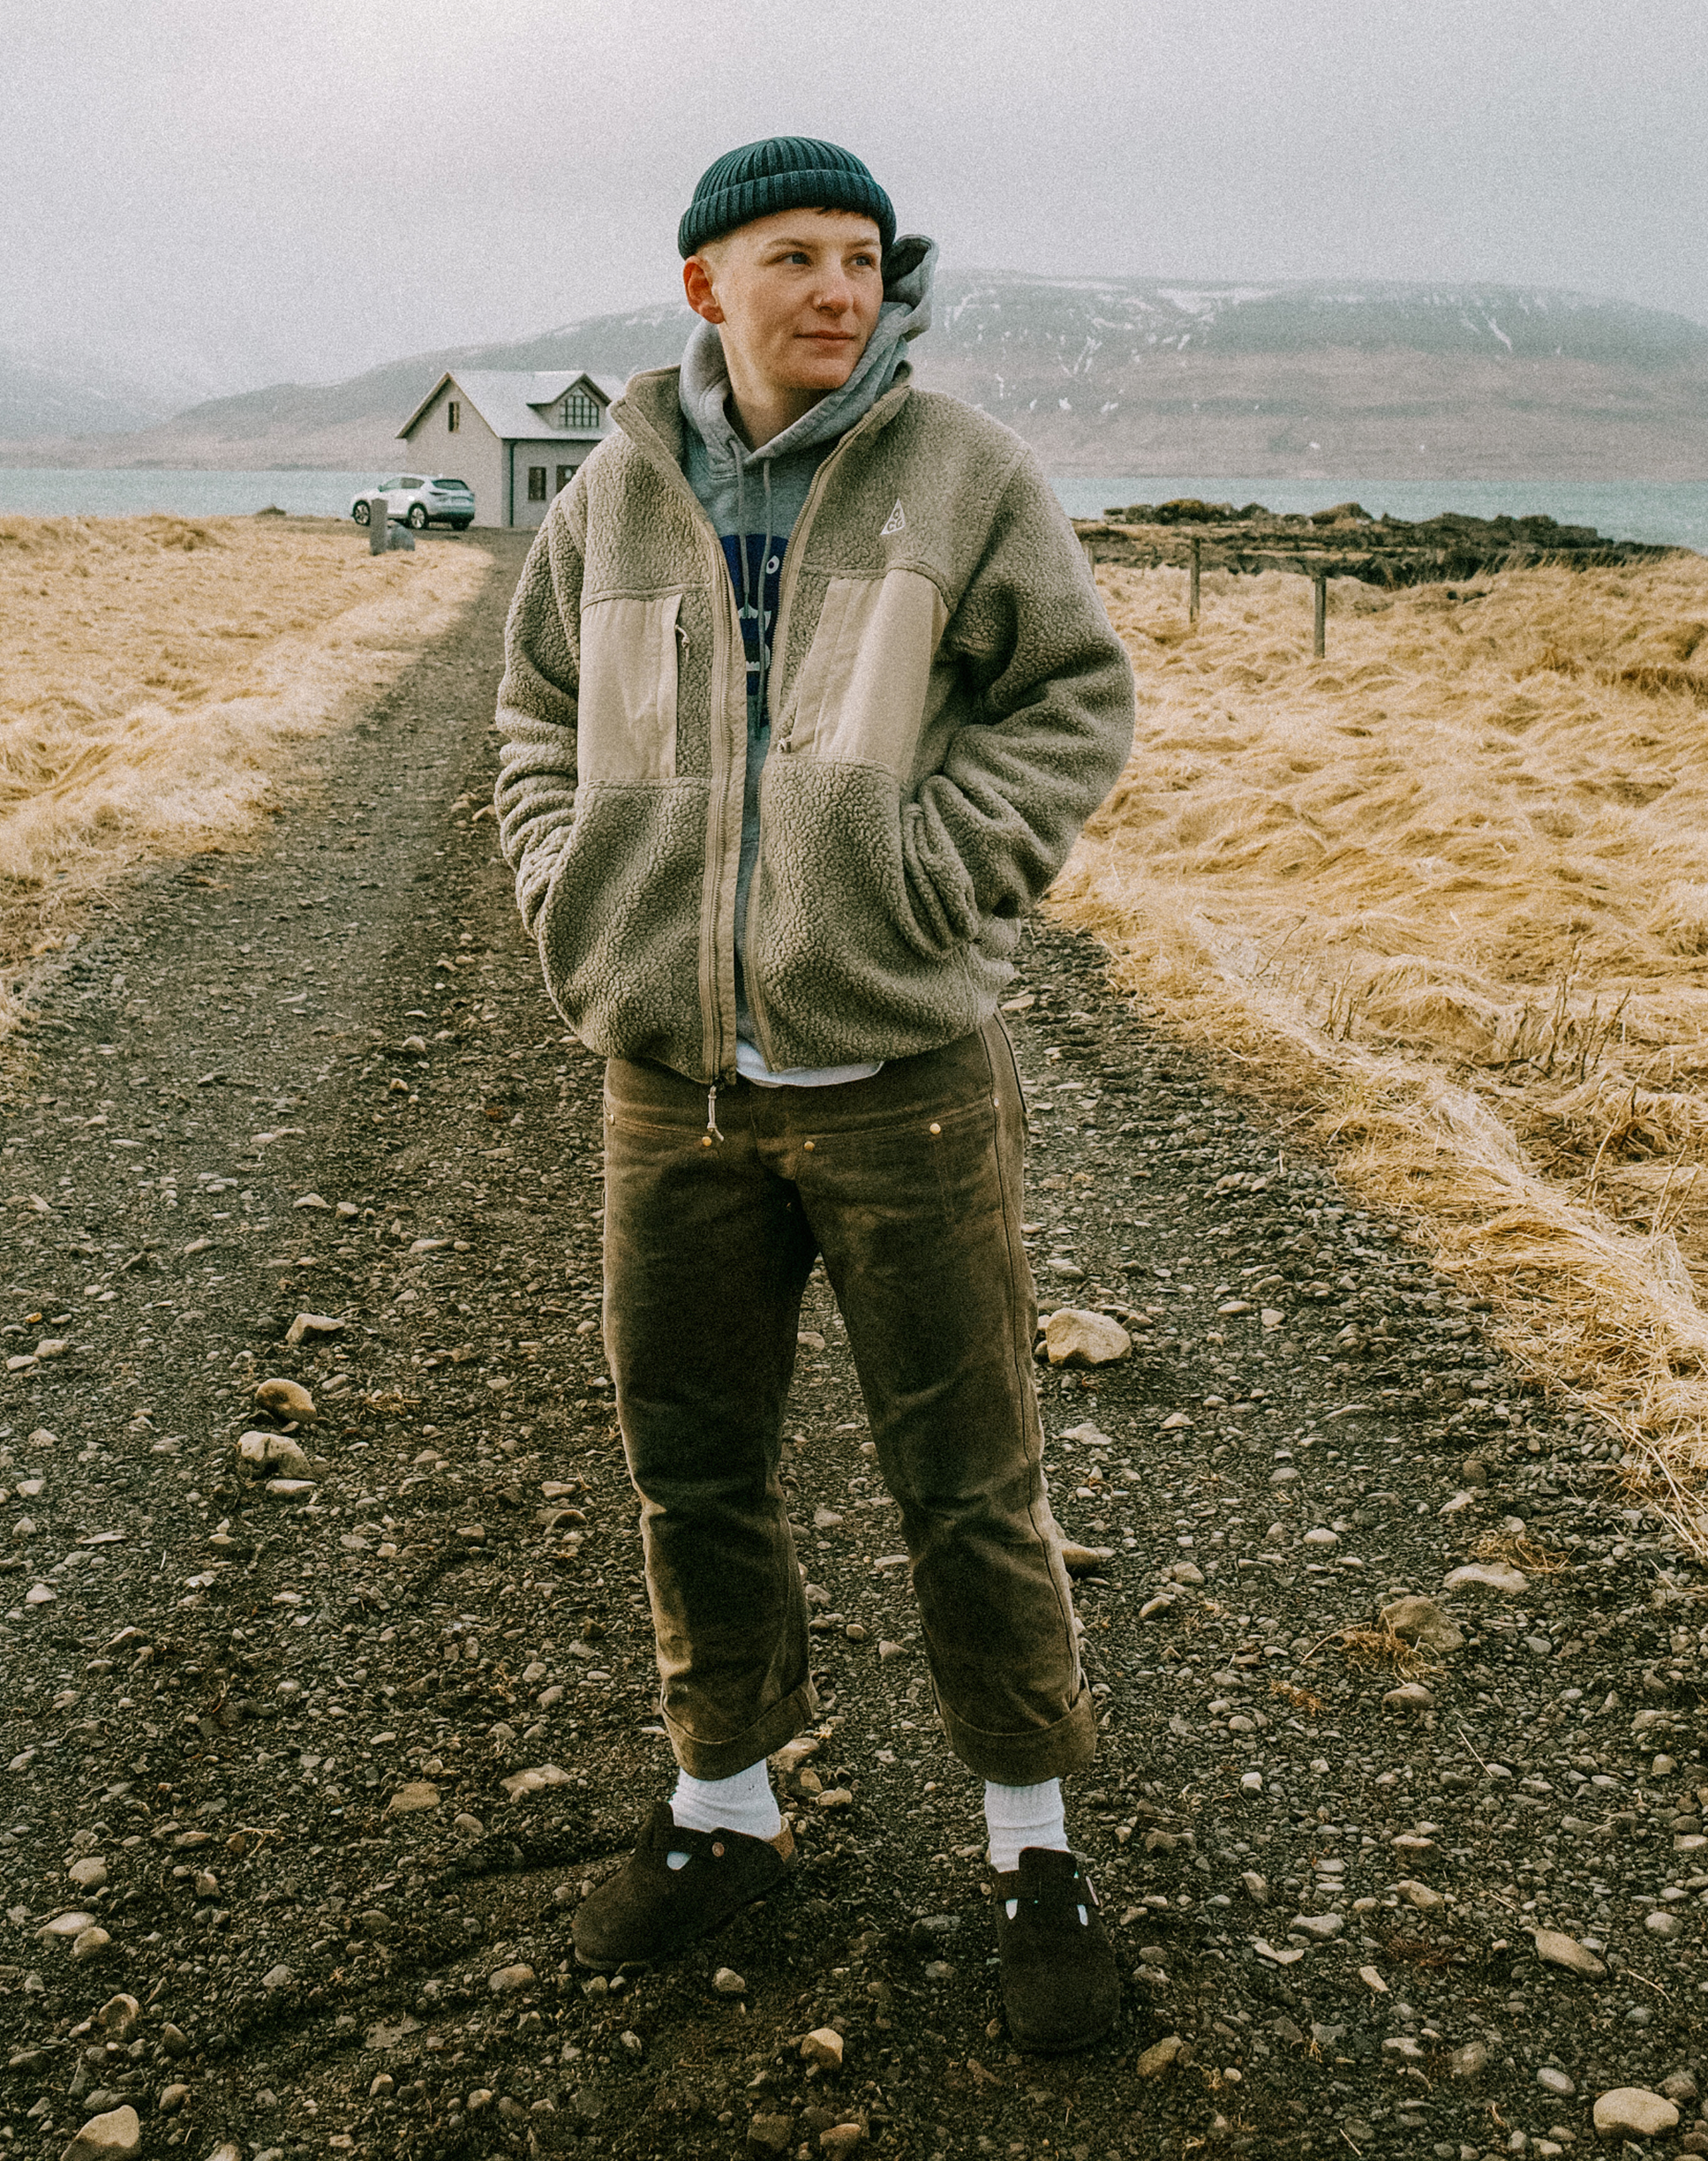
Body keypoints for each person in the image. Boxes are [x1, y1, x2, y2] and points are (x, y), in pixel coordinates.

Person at [493, 137, 1136, 2052]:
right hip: (669, 1083)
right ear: (706, 285)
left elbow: (1069, 698)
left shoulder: (961, 476)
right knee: (690, 1460)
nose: (839, 290)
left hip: (900, 1083)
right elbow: (531, 714)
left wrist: (938, 874)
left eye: (863, 259)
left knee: (967, 1479)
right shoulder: (610, 497)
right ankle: (725, 1809)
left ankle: (1032, 1848)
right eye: (795, 257)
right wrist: (565, 887)